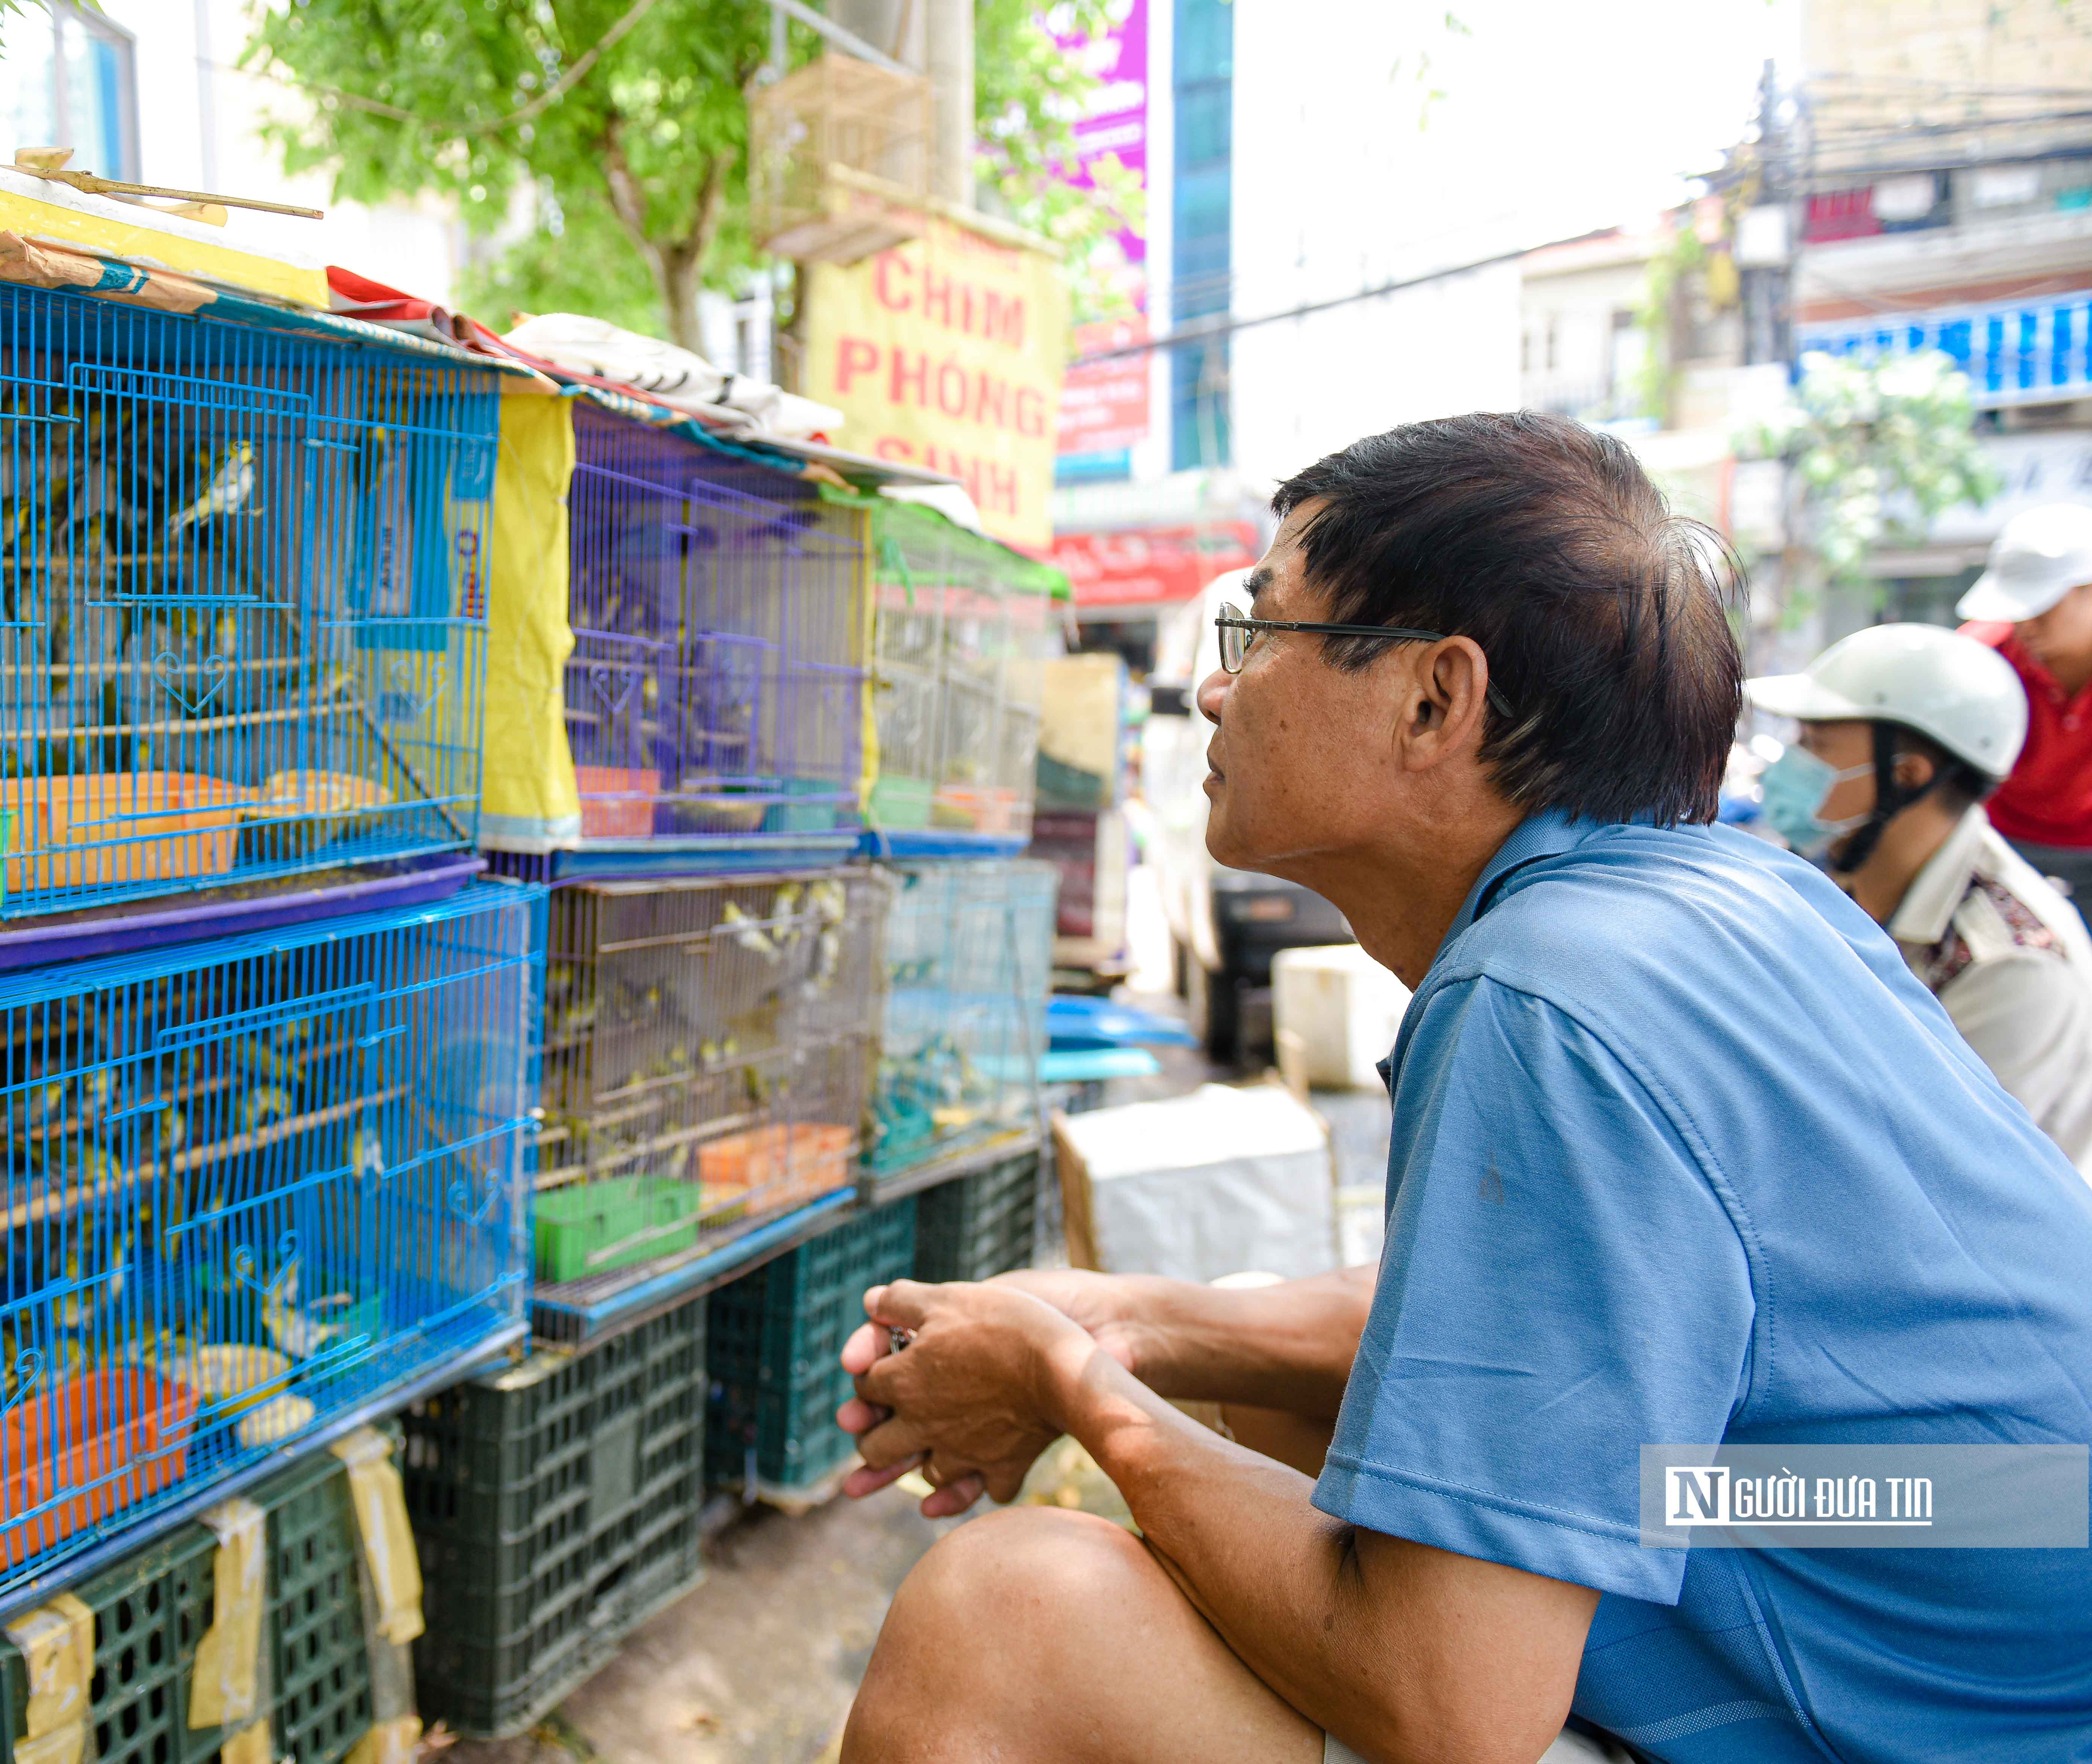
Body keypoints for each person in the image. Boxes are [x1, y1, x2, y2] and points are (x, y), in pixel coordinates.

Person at [832, 413, 2092, 1764]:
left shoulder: (1545, 998)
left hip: (1955, 1665)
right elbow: (1504, 1333)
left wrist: (1073, 1382)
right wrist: (1125, 1319)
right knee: (1321, 1413)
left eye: (1255, 635)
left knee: (1011, 1613)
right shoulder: (1726, 897)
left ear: (1435, 697)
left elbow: (1450, 1708)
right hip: (1926, 1520)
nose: (1211, 691)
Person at [1748, 622, 2092, 1175]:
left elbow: (1927, 1174)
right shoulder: (1835, 878)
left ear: (1906, 776)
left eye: (1814, 745)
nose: (1788, 765)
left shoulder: (2011, 965)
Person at [1956, 502, 2092, 899]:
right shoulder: (1978, 656)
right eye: (2013, 608)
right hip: (1996, 846)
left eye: (2039, 605)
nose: (2024, 624)